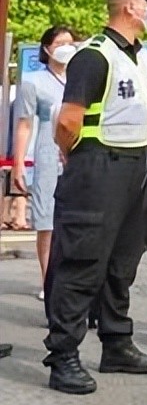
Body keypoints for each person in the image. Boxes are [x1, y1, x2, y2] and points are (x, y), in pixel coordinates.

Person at [42, 0, 147, 395]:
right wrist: (70, 153)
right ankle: (63, 356)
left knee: (122, 262)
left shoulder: (139, 58)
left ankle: (116, 342)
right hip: (97, 166)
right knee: (82, 262)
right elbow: (67, 120)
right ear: (131, 7)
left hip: (134, 166)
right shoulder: (93, 57)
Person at [12, 25, 74, 299]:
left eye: (71, 42)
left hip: (76, 146)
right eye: (60, 42)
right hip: (48, 149)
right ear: (47, 48)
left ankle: (70, 280)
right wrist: (18, 162)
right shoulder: (33, 81)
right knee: (46, 218)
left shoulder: (79, 77)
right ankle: (48, 280)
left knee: (72, 218)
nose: (66, 47)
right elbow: (24, 124)